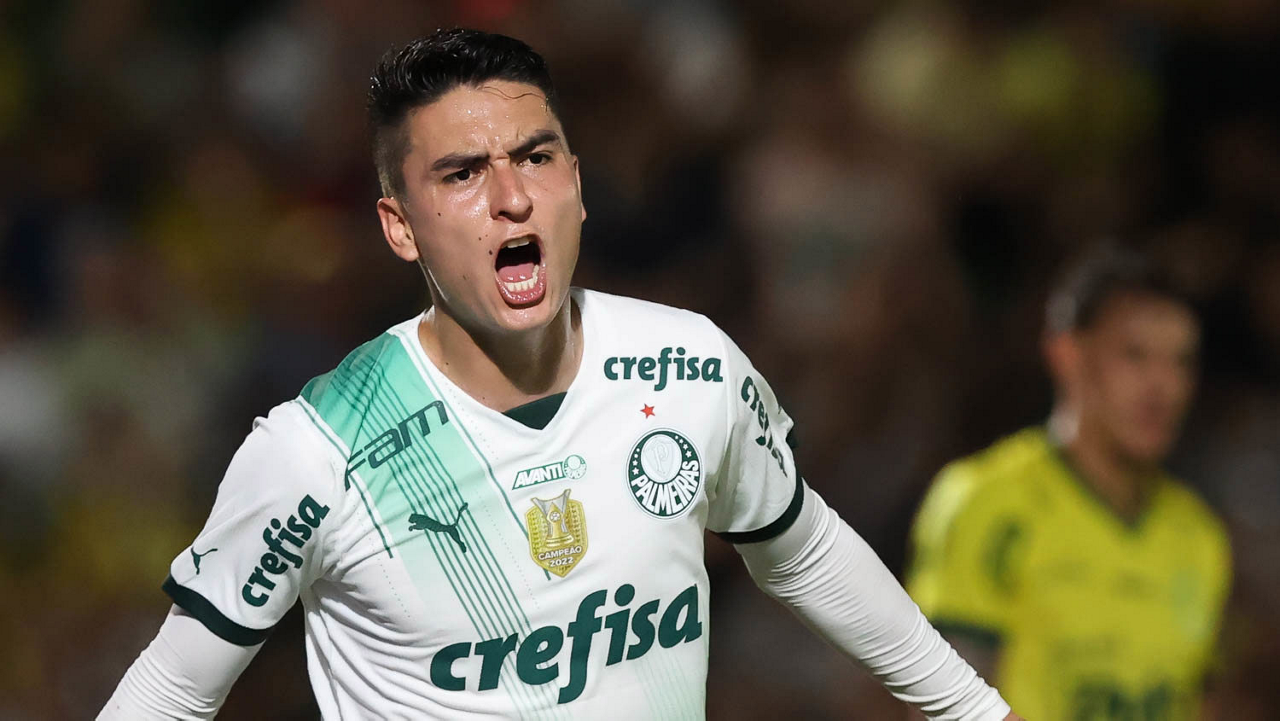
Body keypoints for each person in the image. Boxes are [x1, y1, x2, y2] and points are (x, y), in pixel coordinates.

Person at [100, 29, 1021, 720]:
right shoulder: (317, 450)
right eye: (462, 174)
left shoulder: (690, 366)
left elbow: (803, 547)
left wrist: (975, 710)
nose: (511, 196)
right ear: (399, 226)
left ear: (576, 184)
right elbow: (175, 687)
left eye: (535, 157)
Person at [907, 247, 1231, 720]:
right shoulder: (987, 501)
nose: (1163, 386)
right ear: (1068, 355)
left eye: (1181, 362)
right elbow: (942, 705)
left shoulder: (1200, 537)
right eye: (1135, 356)